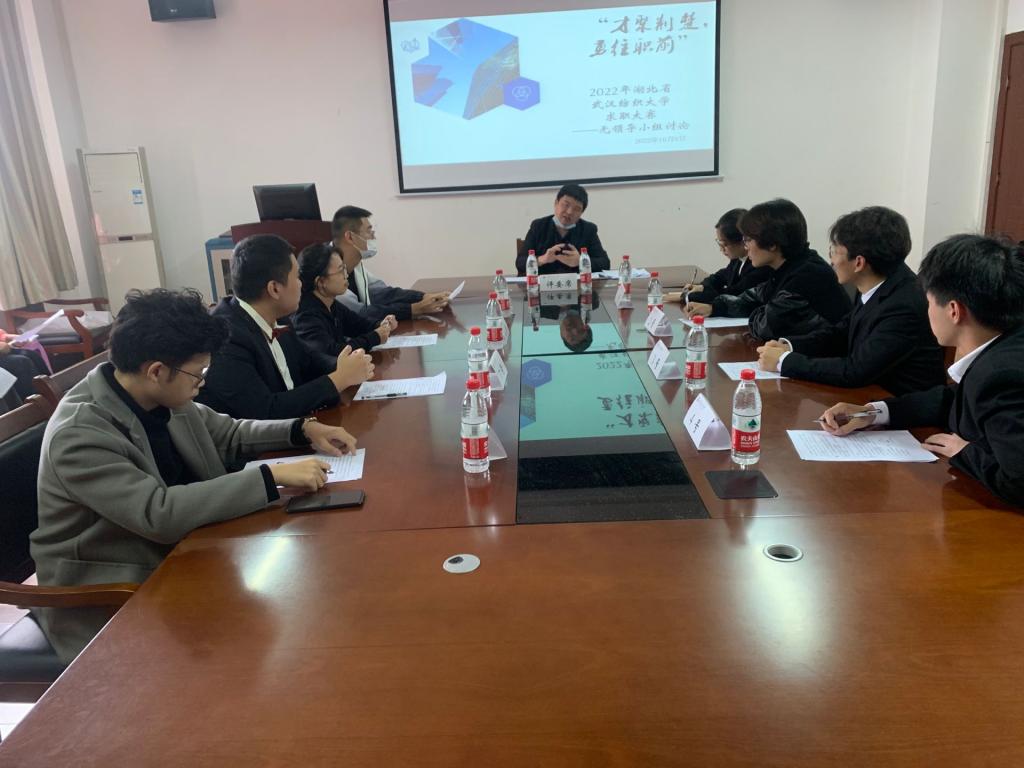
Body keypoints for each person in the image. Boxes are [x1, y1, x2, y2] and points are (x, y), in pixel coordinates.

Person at [31, 288, 359, 662]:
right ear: (156, 371)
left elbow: (229, 432)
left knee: (301, 603)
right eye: (198, 372)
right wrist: (272, 476)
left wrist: (301, 429)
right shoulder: (80, 433)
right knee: (265, 642)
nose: (202, 382)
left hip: (184, 555)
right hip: (110, 589)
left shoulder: (156, 394)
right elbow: (157, 514)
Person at [820, 234, 1024, 507]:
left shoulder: (1001, 375)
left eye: (929, 302)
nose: (926, 311)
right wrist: (873, 413)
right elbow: (956, 400)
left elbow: (1018, 482)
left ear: (954, 310)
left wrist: (963, 451)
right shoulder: (1004, 348)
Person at [756, 206, 946, 395]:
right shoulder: (878, 281)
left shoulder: (903, 305)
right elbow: (841, 333)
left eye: (834, 251)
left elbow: (855, 370)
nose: (831, 260)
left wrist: (784, 361)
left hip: (900, 404)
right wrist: (789, 346)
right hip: (870, 394)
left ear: (859, 263)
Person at [197, 234, 374, 419]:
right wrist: (339, 379)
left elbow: (308, 361)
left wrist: (344, 365)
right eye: (297, 277)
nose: (301, 284)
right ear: (274, 289)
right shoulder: (226, 338)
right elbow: (265, 411)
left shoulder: (278, 316)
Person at [684, 198, 851, 340]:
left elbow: (766, 326)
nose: (746, 246)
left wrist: (759, 310)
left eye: (749, 240)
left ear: (772, 244)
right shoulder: (787, 266)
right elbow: (751, 298)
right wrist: (714, 308)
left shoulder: (806, 274)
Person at [331, 205, 449, 322]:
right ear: (350, 237)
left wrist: (424, 297)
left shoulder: (355, 263)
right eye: (368, 231)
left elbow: (383, 293)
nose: (373, 236)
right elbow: (359, 313)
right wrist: (414, 309)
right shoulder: (329, 271)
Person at [294, 242, 397, 356]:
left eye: (344, 268)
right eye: (340, 270)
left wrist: (381, 324)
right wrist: (375, 337)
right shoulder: (305, 317)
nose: (346, 274)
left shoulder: (331, 303)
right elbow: (334, 352)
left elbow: (358, 325)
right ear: (321, 282)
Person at [665, 208, 769, 304]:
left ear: (742, 242)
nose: (721, 249)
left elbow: (733, 294)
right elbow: (721, 276)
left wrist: (688, 297)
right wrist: (702, 286)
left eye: (724, 244)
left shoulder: (759, 265)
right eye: (719, 243)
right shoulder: (738, 259)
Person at [516, 183, 610, 276]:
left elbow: (605, 263)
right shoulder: (538, 226)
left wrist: (581, 261)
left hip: (577, 285)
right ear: (556, 203)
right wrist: (542, 259)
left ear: (581, 213)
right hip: (544, 284)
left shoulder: (588, 230)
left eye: (576, 209)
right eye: (566, 205)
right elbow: (520, 262)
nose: (569, 212)